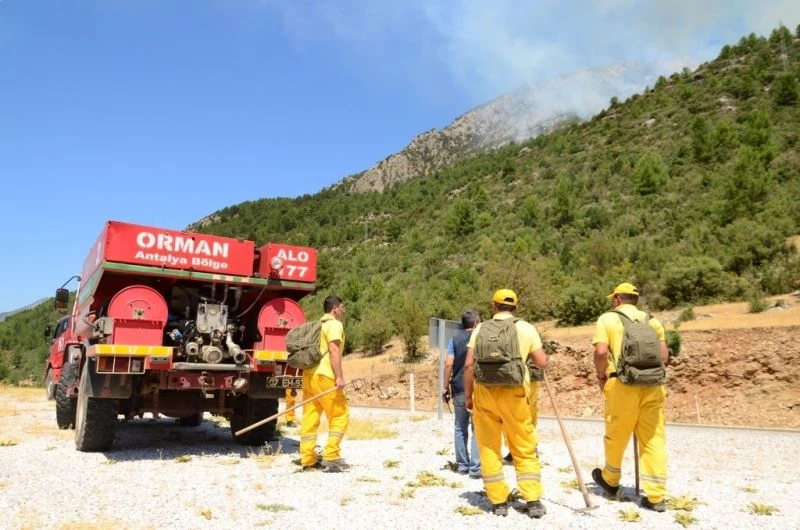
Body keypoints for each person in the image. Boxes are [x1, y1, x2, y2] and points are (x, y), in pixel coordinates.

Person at [464, 289, 548, 518]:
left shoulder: (480, 329)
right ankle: (532, 501)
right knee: (523, 446)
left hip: (484, 393)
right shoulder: (526, 328)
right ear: (516, 307)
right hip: (516, 394)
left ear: (493, 306)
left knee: (489, 447)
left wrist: (469, 396)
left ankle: (499, 501)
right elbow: (541, 362)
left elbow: (469, 366)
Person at [591, 282, 669, 512]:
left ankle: (611, 481)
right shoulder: (652, 321)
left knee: (616, 434)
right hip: (653, 385)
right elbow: (664, 355)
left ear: (616, 299)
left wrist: (601, 376)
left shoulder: (608, 319)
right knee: (653, 437)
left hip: (622, 383)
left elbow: (601, 352)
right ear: (634, 300)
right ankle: (656, 496)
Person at [299, 295, 350, 472]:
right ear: (334, 308)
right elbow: (333, 350)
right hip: (325, 375)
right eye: (342, 307)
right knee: (340, 415)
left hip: (309, 376)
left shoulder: (316, 325)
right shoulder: (334, 324)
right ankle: (331, 455)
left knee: (310, 418)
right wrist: (340, 377)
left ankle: (308, 459)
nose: (344, 310)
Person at [442, 310, 481, 479]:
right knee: (477, 428)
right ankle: (476, 468)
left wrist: (445, 387)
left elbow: (448, 364)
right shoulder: (480, 338)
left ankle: (462, 466)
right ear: (477, 322)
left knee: (460, 427)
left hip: (458, 387)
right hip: (478, 388)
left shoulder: (454, 340)